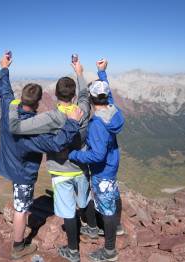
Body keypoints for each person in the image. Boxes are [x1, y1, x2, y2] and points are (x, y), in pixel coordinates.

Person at [0, 53, 83, 260]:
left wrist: (4, 68)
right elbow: (56, 143)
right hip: (23, 174)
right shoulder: (34, 130)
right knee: (21, 209)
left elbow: (3, 89)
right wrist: (72, 122)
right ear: (38, 102)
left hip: (7, 164)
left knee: (20, 202)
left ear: (22, 97)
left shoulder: (9, 106)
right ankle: (18, 247)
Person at [68, 59, 125, 262]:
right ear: (105, 97)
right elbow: (107, 94)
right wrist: (102, 73)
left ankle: (109, 251)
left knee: (107, 209)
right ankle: (117, 226)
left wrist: (74, 155)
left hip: (102, 170)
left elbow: (97, 155)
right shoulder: (113, 112)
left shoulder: (98, 125)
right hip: (112, 164)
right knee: (114, 196)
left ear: (91, 100)